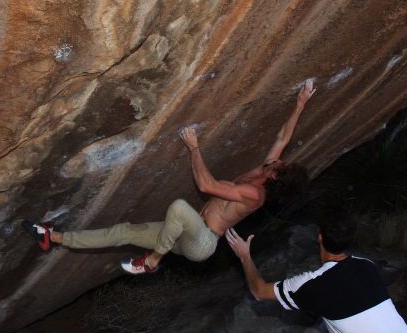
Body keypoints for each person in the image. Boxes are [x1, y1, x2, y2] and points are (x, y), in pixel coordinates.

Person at [23, 80, 316, 274]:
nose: (278, 159)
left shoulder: (255, 195)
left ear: (275, 177)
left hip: (202, 242)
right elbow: (282, 137)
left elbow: (206, 185)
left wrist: (194, 148)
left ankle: (152, 261)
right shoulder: (264, 170)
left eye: (280, 165)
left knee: (178, 206)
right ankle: (55, 236)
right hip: (182, 234)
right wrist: (300, 103)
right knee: (124, 231)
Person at [225, 215, 407, 333]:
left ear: (319, 237)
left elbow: (259, 291)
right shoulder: (367, 266)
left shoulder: (313, 285)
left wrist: (244, 256)